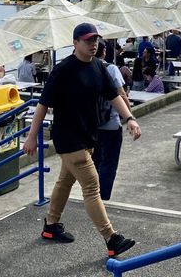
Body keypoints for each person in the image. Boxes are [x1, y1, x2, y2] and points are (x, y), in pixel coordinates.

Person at [23, 23, 141, 258]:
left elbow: (113, 95)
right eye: (87, 40)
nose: (93, 44)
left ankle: (50, 225)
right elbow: (43, 104)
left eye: (95, 39)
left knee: (65, 182)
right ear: (75, 42)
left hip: (88, 136)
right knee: (91, 186)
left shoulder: (99, 66)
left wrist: (130, 117)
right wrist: (31, 137)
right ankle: (111, 239)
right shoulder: (63, 70)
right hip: (68, 138)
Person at [93, 42, 132, 201]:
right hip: (110, 124)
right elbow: (121, 94)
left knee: (94, 161)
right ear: (103, 53)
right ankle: (103, 196)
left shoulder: (86, 68)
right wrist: (129, 116)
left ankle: (93, 194)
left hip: (91, 125)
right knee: (108, 162)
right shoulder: (111, 68)